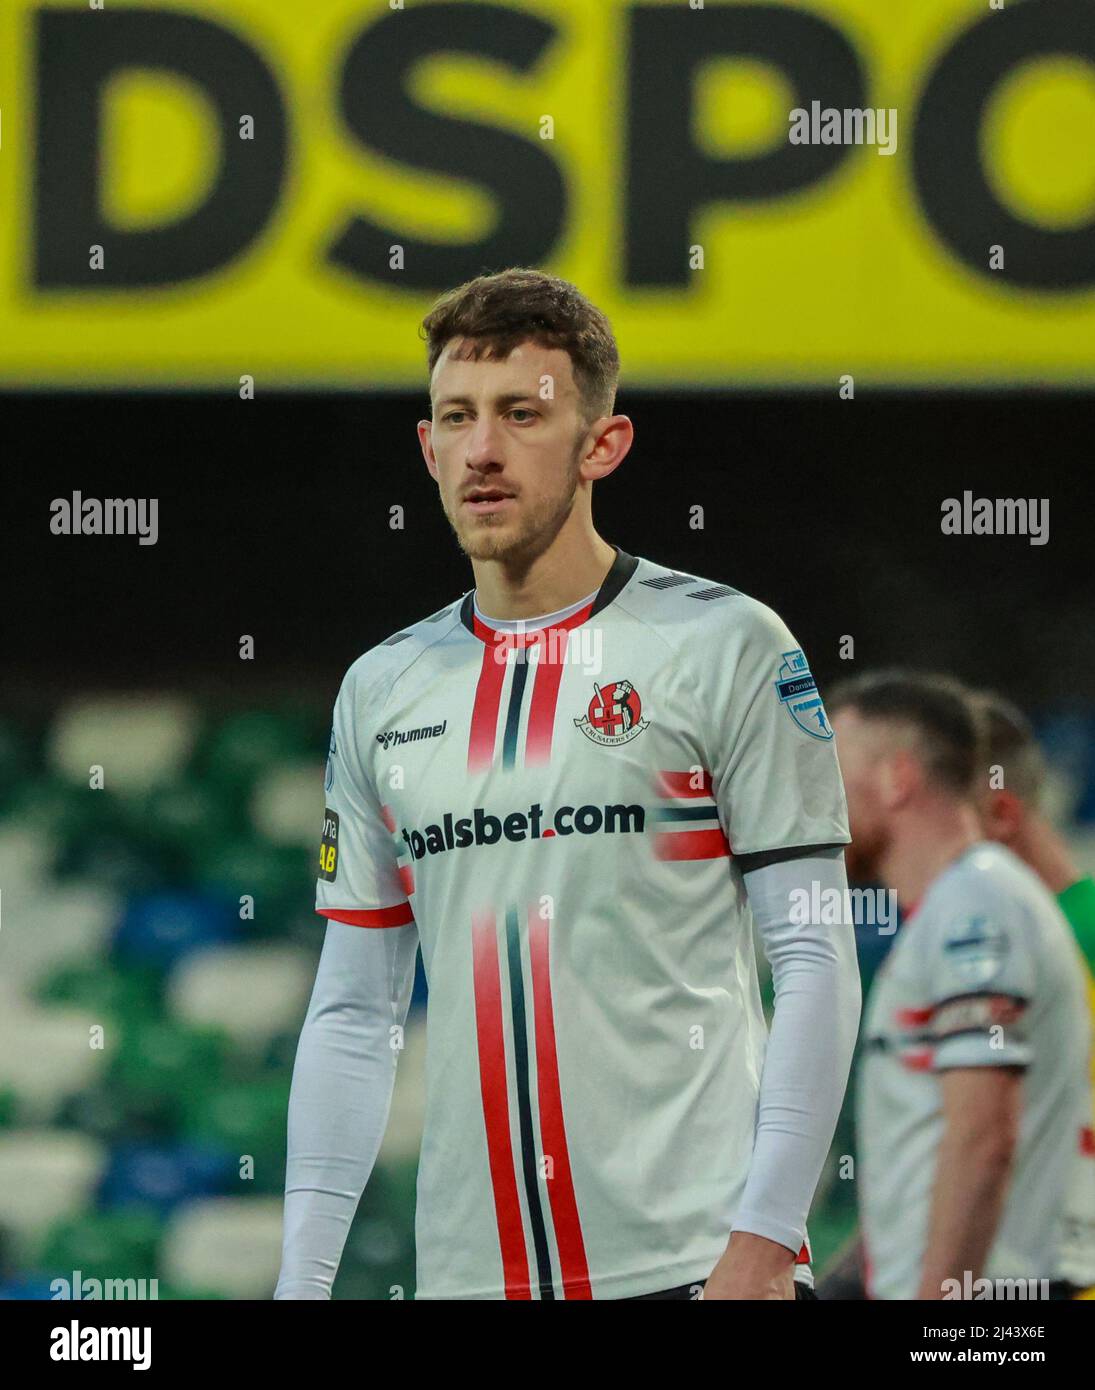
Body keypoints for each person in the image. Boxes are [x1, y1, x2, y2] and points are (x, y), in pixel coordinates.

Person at [275, 267, 860, 1301]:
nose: (482, 449)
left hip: (697, 1267)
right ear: (427, 447)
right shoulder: (381, 689)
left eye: (522, 414)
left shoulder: (725, 644)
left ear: (603, 443)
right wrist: (303, 1281)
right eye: (455, 417)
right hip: (468, 1278)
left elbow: (813, 949)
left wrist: (766, 1238)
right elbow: (354, 1011)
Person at [828, 671, 1092, 1300]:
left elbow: (982, 1136)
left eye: (828, 768)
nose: (812, 796)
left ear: (898, 778)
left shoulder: (975, 906)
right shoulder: (961, 904)